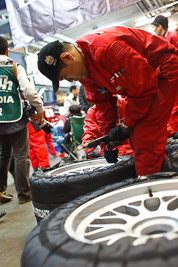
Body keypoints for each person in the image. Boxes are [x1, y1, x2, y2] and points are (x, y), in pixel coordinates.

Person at [37, 26, 178, 176]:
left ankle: (151, 187)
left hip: (163, 70)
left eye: (65, 76)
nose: (70, 80)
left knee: (144, 137)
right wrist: (108, 142)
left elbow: (143, 89)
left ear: (68, 57)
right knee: (138, 138)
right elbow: (103, 105)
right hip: (141, 84)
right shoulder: (85, 72)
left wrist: (126, 126)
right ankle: (160, 172)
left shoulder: (108, 49)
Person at [0, 36, 44, 204]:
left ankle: (0, 190)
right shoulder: (14, 67)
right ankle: (24, 195)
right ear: (6, 51)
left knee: (3, 155)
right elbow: (29, 91)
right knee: (20, 156)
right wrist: (39, 109)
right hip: (15, 118)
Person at [151, 15, 178, 134]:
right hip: (171, 76)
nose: (154, 31)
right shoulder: (166, 37)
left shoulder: (172, 36)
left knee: (175, 107)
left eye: (154, 28)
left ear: (160, 26)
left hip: (174, 75)